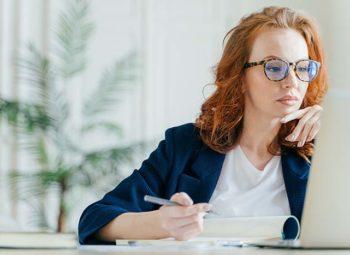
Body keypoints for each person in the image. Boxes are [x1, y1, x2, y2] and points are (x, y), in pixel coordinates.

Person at [78, 6, 328, 244]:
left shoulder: (324, 150)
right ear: (240, 78)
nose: (292, 81)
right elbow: (95, 220)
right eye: (275, 67)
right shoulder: (185, 146)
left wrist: (338, 135)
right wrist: (161, 223)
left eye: (303, 68)